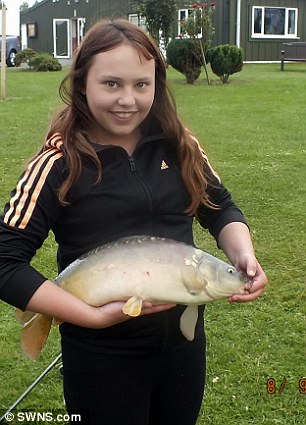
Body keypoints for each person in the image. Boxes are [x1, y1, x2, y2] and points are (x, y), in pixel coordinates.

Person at [0, 19, 267, 425]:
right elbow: (5, 261)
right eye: (111, 84)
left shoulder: (178, 144)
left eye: (141, 85)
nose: (128, 99)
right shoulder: (59, 163)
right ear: (82, 83)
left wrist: (242, 254)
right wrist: (90, 317)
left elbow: (219, 207)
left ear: (157, 84)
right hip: (101, 361)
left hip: (182, 353)